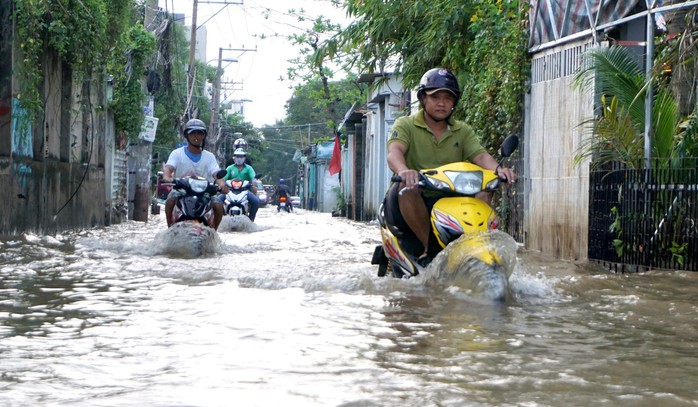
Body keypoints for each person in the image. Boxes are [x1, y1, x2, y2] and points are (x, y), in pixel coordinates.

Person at [386, 67, 517, 266]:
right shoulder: (406, 125)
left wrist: (498, 171)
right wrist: (404, 171)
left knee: (486, 187)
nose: (441, 103)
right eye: (435, 97)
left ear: (454, 102)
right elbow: (394, 151)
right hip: (419, 196)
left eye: (448, 98)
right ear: (423, 99)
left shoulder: (462, 130)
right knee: (407, 188)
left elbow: (480, 155)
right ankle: (427, 249)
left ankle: (478, 248)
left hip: (453, 197)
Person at [163, 118, 227, 230]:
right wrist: (167, 177)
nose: (196, 136)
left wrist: (221, 184)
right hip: (181, 191)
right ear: (187, 135)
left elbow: (216, 174)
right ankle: (170, 227)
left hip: (204, 194)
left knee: (218, 204)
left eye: (199, 133)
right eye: (192, 133)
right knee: (170, 199)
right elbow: (168, 168)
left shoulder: (210, 157)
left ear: (204, 136)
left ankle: (213, 232)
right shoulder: (177, 153)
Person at [224, 148, 259, 221]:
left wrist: (253, 182)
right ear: (234, 158)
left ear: (244, 158)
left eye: (241, 157)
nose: (239, 158)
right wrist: (222, 183)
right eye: (237, 156)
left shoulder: (249, 168)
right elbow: (224, 178)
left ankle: (251, 220)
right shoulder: (230, 168)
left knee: (256, 201)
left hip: (245, 191)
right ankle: (220, 219)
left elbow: (253, 178)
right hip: (229, 191)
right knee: (217, 201)